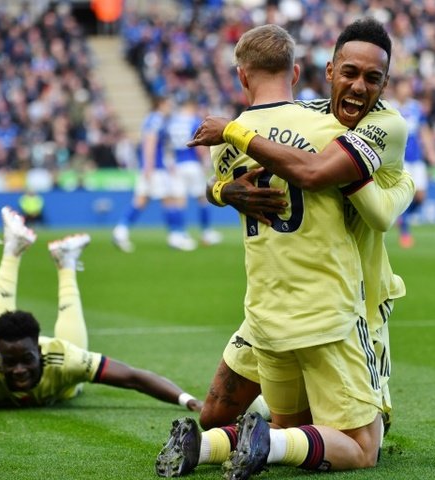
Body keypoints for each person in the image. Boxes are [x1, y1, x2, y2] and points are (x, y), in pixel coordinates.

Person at [157, 20, 412, 479]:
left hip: (268, 310)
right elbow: (315, 174)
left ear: (242, 76)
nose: (358, 87)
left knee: (283, 427)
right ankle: (254, 441)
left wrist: (223, 175)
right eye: (350, 73)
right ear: (314, 72)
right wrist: (406, 186)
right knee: (362, 445)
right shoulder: (328, 130)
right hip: (331, 308)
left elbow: (240, 175)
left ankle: (207, 446)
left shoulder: (227, 141)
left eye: (372, 79)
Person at [0, 206, 203, 423]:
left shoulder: (64, 358)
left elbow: (133, 377)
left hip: (66, 385)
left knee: (74, 353)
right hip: (1, 356)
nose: (19, 370)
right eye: (9, 362)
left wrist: (188, 401)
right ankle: (32, 254)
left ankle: (50, 258)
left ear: (39, 349)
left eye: (27, 359)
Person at [112, 96, 197, 253]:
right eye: (167, 103)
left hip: (153, 166)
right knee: (170, 199)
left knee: (140, 201)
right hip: (155, 168)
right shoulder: (156, 119)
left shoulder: (152, 119)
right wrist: (149, 167)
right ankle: (175, 236)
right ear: (160, 103)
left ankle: (120, 231)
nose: (170, 106)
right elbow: (150, 142)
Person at [389, 75, 435, 248]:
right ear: (396, 89)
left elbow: (424, 131)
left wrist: (431, 151)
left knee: (421, 196)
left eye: (408, 87)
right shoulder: (390, 108)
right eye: (403, 86)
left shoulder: (416, 108)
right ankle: (405, 233)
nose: (406, 90)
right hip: (399, 160)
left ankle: (402, 218)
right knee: (404, 195)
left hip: (416, 158)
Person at [167, 96, 223, 246]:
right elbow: (199, 144)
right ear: (191, 106)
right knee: (202, 198)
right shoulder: (193, 121)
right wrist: (205, 162)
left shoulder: (173, 122)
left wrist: (170, 161)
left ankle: (177, 234)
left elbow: (168, 144)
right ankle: (206, 232)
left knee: (179, 200)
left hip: (178, 164)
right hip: (192, 164)